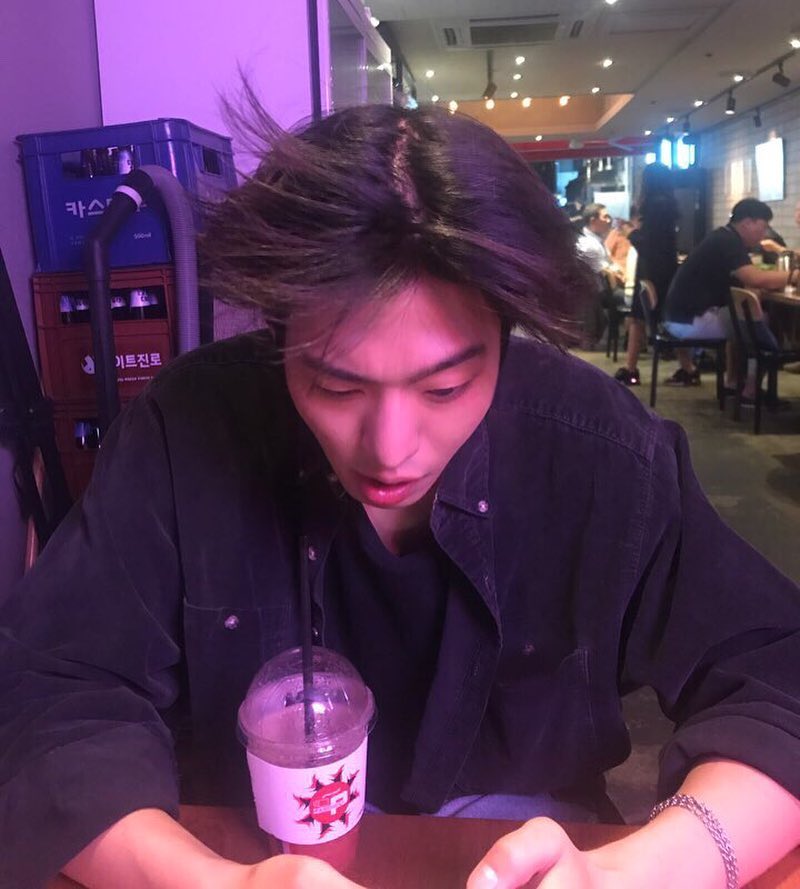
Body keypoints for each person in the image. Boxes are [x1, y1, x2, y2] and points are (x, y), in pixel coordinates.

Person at [1, 100, 799, 889]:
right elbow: (50, 695)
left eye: (445, 387)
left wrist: (643, 869)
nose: (389, 448)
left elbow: (778, 676)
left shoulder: (598, 448)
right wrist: (213, 884)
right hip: (242, 837)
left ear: (505, 334)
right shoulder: (188, 428)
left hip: (534, 843)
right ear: (279, 335)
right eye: (335, 385)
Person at [662, 198, 800, 391]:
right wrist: (793, 276)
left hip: (679, 317)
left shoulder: (723, 236)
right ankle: (751, 391)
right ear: (747, 223)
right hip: (689, 321)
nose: (764, 234)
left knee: (744, 317)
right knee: (761, 322)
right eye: (763, 227)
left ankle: (735, 383)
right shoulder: (728, 242)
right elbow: (755, 279)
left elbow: (748, 281)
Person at [613, 163, 679, 387]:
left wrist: (629, 232)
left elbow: (647, 243)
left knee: (639, 317)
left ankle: (631, 369)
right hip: (664, 268)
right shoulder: (668, 205)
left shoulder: (655, 205)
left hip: (652, 270)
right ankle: (688, 368)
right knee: (660, 319)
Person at [576, 203, 627, 347]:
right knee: (636, 299)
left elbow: (611, 265)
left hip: (600, 291)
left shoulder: (596, 241)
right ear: (593, 220)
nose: (609, 220)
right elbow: (608, 274)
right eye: (605, 217)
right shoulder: (588, 245)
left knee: (636, 295)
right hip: (597, 293)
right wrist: (620, 273)